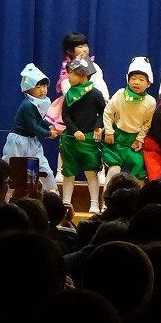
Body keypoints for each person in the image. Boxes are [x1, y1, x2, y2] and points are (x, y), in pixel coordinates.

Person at [1, 63, 59, 193]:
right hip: (18, 142)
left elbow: (40, 119)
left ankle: (53, 196)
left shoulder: (39, 103)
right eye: (38, 87)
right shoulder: (27, 105)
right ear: (28, 89)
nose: (42, 90)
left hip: (32, 142)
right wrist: (48, 133)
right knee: (12, 169)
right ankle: (5, 196)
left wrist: (49, 125)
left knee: (44, 169)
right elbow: (33, 126)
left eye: (44, 86)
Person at [60, 57, 105, 213]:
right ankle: (66, 202)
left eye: (71, 73)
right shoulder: (69, 94)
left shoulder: (95, 94)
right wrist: (75, 131)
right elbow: (65, 115)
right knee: (69, 172)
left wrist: (97, 127)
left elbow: (103, 113)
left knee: (91, 172)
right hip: (71, 140)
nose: (68, 77)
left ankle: (94, 203)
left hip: (89, 140)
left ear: (82, 75)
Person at [102, 57, 157, 184]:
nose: (136, 82)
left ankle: (136, 196)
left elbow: (147, 123)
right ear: (128, 80)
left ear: (149, 83)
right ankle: (106, 196)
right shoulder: (120, 94)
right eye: (133, 78)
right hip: (117, 137)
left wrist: (140, 138)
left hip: (133, 140)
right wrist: (109, 131)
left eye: (141, 79)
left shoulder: (150, 101)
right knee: (114, 169)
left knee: (138, 169)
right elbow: (108, 113)